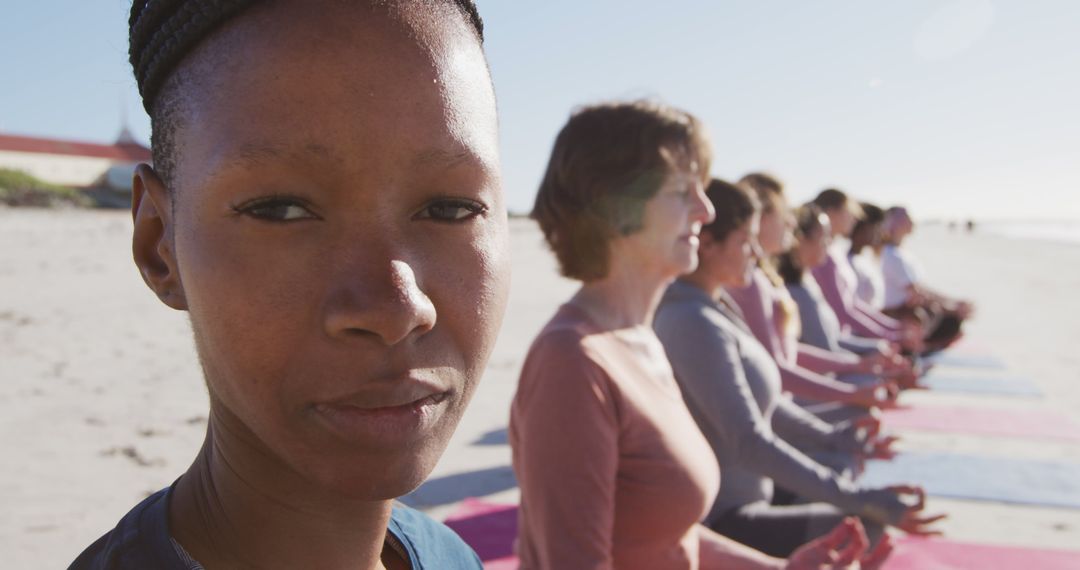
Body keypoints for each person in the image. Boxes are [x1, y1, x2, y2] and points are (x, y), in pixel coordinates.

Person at [71, 1, 508, 568]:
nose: (396, 307)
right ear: (160, 246)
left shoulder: (449, 556)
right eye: (280, 210)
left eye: (450, 208)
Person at [510, 101, 890, 570]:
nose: (705, 210)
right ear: (614, 207)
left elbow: (664, 534)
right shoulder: (571, 362)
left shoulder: (639, 339)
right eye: (680, 191)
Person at [654, 179, 943, 558]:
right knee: (863, 528)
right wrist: (860, 497)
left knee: (853, 491)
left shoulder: (716, 304)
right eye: (746, 241)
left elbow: (767, 405)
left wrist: (839, 438)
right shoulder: (692, 320)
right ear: (707, 245)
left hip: (755, 492)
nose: (757, 252)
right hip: (725, 517)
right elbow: (749, 439)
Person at [727, 174, 903, 412]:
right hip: (780, 407)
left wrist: (859, 364)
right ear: (761, 217)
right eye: (783, 212)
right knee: (865, 402)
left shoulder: (765, 279)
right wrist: (853, 388)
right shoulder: (749, 284)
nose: (791, 222)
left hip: (785, 401)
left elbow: (788, 351)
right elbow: (775, 369)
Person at [810, 189, 923, 353]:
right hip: (842, 338)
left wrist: (893, 330)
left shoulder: (835, 251)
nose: (854, 218)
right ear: (831, 212)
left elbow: (853, 303)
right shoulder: (824, 256)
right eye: (849, 212)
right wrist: (889, 336)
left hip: (848, 334)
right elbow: (843, 310)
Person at [881, 206, 972, 352]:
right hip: (901, 315)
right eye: (904, 216)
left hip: (910, 310)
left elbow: (921, 288)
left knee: (950, 318)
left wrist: (953, 302)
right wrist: (951, 307)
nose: (910, 220)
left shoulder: (899, 253)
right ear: (891, 223)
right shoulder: (892, 255)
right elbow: (916, 291)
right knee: (950, 321)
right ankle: (919, 348)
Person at [848, 202, 887, 309]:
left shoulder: (864, 259)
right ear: (860, 228)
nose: (880, 232)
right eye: (876, 226)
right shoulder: (848, 264)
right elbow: (856, 308)